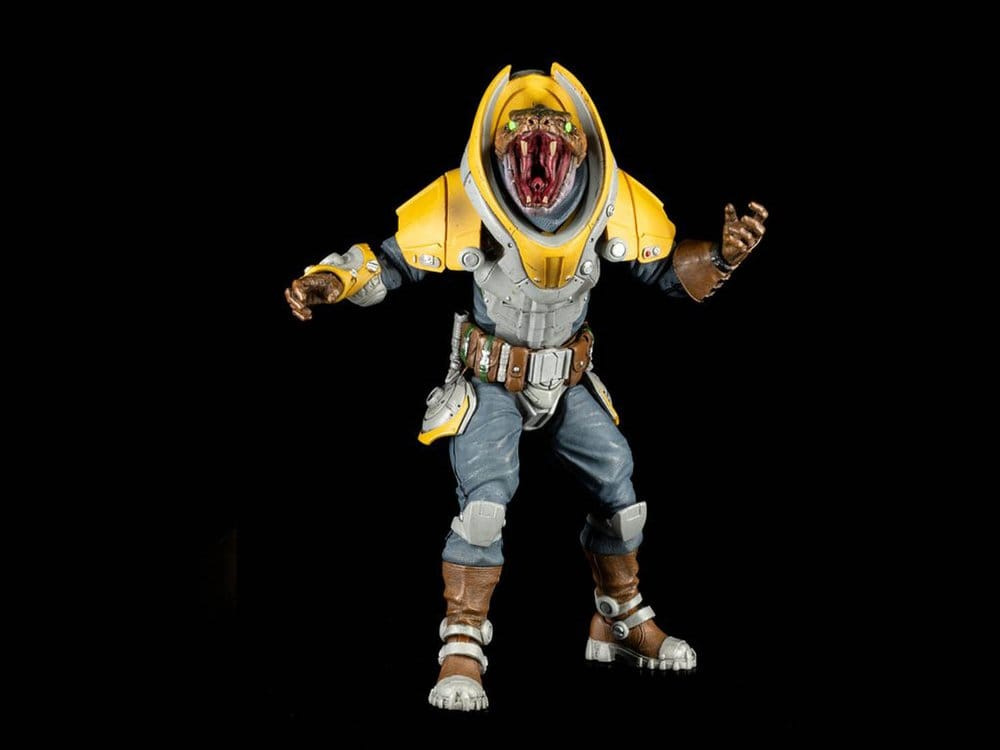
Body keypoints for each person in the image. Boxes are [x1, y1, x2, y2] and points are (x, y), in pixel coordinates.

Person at [285, 63, 767, 712]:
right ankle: (461, 645)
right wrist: (332, 280)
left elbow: (664, 273)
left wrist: (721, 258)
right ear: (498, 146)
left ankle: (619, 620)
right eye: (522, 130)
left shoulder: (610, 200)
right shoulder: (467, 201)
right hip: (492, 378)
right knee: (484, 504)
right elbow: (393, 263)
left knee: (619, 488)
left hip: (567, 378)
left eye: (553, 130)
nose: (538, 141)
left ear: (580, 146)